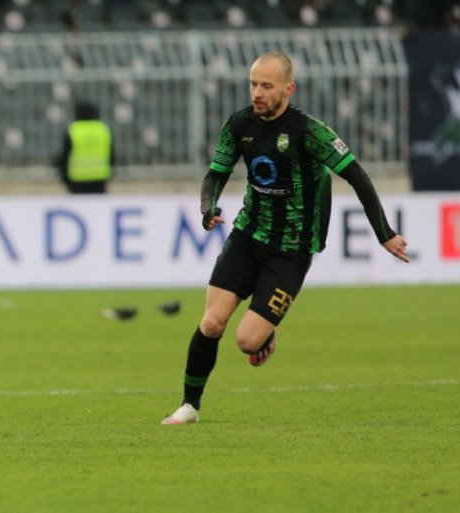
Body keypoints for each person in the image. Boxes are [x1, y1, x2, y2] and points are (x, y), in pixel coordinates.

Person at [161, 51, 410, 425]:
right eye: (253, 84)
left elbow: (356, 176)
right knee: (211, 323)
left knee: (247, 341)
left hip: (291, 251)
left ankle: (266, 330)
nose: (257, 93)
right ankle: (189, 406)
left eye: (266, 86)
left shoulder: (309, 131)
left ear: (288, 89)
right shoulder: (239, 124)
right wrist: (207, 206)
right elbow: (216, 173)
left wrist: (384, 234)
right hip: (247, 237)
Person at [54, 100, 114, 194]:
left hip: (76, 180)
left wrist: (64, 178)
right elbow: (111, 156)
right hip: (99, 178)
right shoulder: (103, 130)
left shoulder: (73, 130)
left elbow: (65, 157)